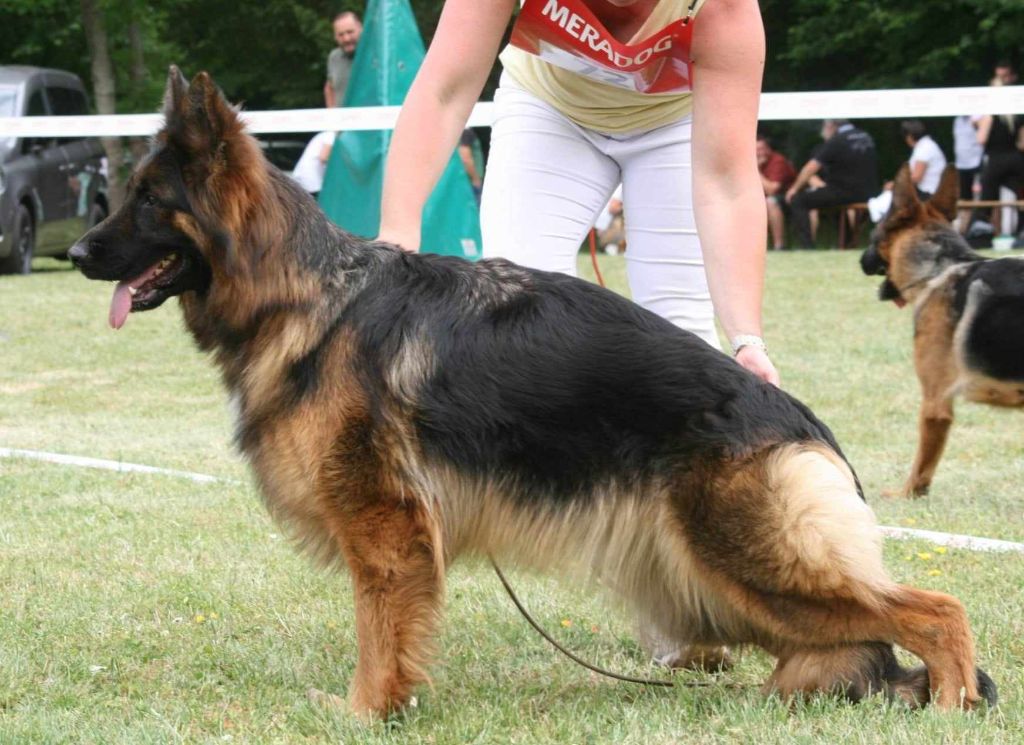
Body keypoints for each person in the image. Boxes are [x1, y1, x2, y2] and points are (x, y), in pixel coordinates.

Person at [378, 0, 779, 387]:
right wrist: (397, 233)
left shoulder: (726, 8)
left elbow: (726, 182)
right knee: (520, 310)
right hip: (550, 106)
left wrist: (746, 338)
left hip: (672, 123)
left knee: (680, 331)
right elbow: (444, 93)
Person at [785, 120, 878, 249]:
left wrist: (794, 188)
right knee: (832, 201)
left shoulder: (837, 141)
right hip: (869, 192)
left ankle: (807, 247)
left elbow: (811, 168)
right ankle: (847, 242)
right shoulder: (865, 136)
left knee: (798, 201)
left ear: (831, 126)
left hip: (844, 192)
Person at [972, 63, 1024, 236]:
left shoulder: (990, 113)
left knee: (987, 199)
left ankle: (981, 230)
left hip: (995, 160)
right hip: (1016, 159)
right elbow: (1022, 143)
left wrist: (977, 125)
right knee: (1020, 197)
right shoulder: (1017, 115)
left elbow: (981, 139)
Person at [756, 134, 796, 250]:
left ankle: (779, 245)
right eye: (756, 150)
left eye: (761, 149)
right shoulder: (751, 162)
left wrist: (756, 170)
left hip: (788, 198)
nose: (759, 153)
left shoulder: (778, 161)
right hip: (762, 199)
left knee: (771, 202)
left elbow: (772, 189)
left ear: (769, 149)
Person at [324, 11, 363, 109]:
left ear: (361, 29)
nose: (346, 38)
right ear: (335, 37)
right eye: (341, 35)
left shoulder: (376, 55)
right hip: (343, 122)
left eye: (350, 32)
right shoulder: (334, 57)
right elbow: (329, 87)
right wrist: (331, 112)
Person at [952, 114, 984, 231]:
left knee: (977, 198)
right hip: (961, 164)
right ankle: (963, 228)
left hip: (977, 163)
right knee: (964, 199)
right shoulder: (957, 120)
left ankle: (976, 226)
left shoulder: (979, 119)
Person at [900, 119, 946, 199]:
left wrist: (896, 185)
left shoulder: (924, 148)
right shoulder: (925, 145)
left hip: (930, 194)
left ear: (909, 136)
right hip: (930, 192)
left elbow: (916, 177)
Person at [291, 131, 336, 197]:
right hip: (311, 177)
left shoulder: (325, 135)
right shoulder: (330, 135)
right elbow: (323, 157)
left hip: (306, 175)